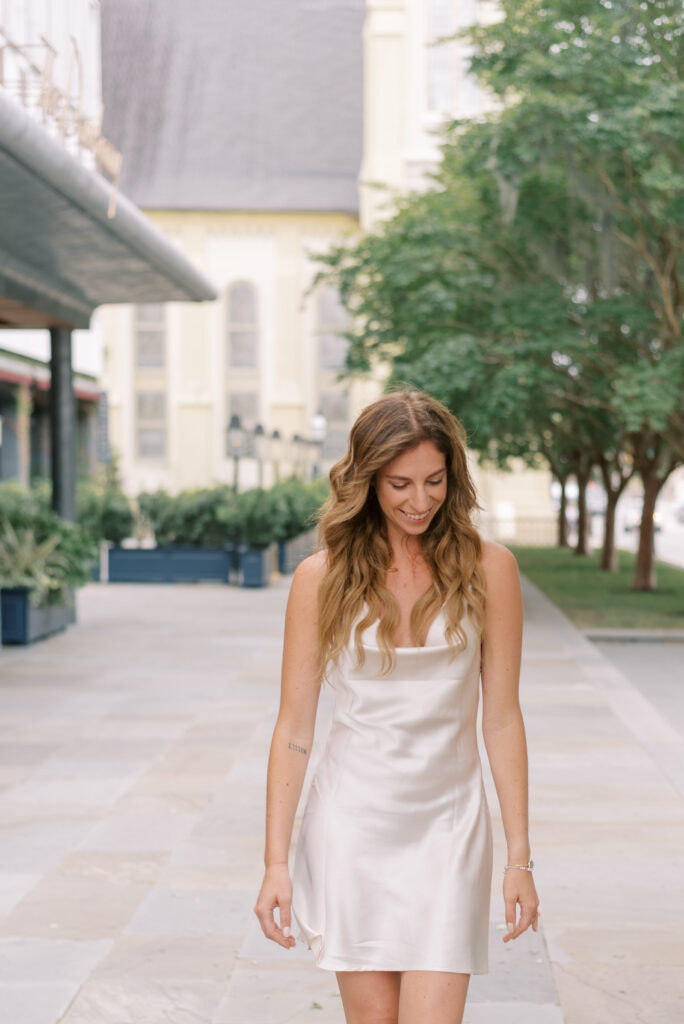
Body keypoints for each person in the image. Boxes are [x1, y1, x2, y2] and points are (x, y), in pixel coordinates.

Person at [254, 389, 540, 1024]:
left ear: (454, 477)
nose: (420, 501)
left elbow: (501, 719)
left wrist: (519, 857)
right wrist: (276, 863)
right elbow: (295, 728)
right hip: (351, 828)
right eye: (400, 483)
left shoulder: (492, 569)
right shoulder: (319, 579)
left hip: (448, 828)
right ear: (367, 481)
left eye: (435, 481)